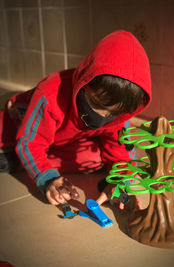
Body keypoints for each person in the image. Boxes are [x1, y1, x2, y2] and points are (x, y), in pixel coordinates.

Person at [0, 30, 151, 208]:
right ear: (84, 81)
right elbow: (30, 141)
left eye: (111, 113)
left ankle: (26, 159)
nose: (102, 117)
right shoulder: (49, 94)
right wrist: (48, 178)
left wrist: (120, 182)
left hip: (63, 141)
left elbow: (121, 153)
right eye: (95, 102)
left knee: (95, 158)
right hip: (18, 124)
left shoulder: (122, 112)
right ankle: (21, 156)